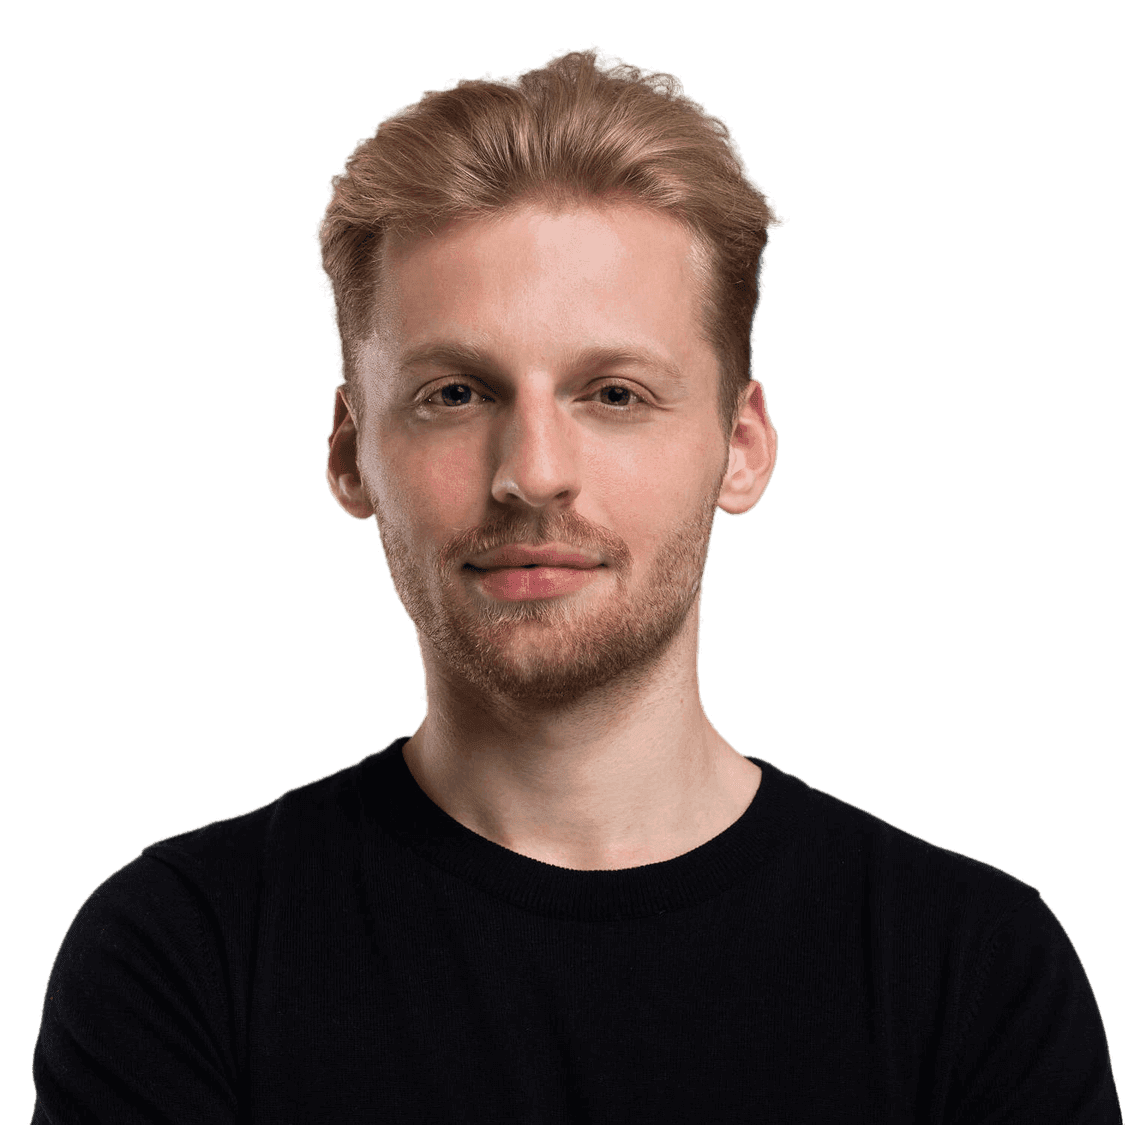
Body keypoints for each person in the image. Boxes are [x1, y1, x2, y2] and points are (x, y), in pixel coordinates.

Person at [31, 46, 1120, 1123]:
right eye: (456, 393)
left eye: (614, 394)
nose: (533, 472)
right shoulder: (183, 953)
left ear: (740, 447)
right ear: (350, 453)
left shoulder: (977, 973)